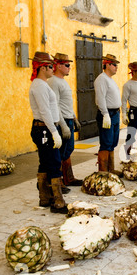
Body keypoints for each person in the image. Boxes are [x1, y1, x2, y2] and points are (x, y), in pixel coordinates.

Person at [29, 51, 68, 214]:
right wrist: (54, 131)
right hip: (45, 128)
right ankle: (58, 202)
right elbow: (45, 111)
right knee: (53, 162)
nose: (53, 69)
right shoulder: (39, 86)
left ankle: (45, 198)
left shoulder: (42, 84)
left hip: (46, 127)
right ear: (43, 68)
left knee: (45, 162)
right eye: (51, 66)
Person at [48, 53, 83, 188]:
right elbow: (55, 105)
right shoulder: (53, 82)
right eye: (67, 65)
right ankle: (60, 180)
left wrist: (74, 118)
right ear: (59, 65)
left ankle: (69, 177)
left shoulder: (62, 81)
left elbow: (66, 103)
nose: (69, 68)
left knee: (68, 150)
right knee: (61, 152)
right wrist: (63, 125)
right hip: (63, 121)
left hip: (69, 119)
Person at [94, 54, 122, 176]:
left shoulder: (110, 79)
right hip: (107, 113)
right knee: (106, 142)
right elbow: (100, 98)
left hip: (115, 113)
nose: (116, 67)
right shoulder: (102, 79)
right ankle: (103, 171)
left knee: (112, 142)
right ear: (107, 65)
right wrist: (105, 114)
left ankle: (111, 169)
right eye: (114, 65)